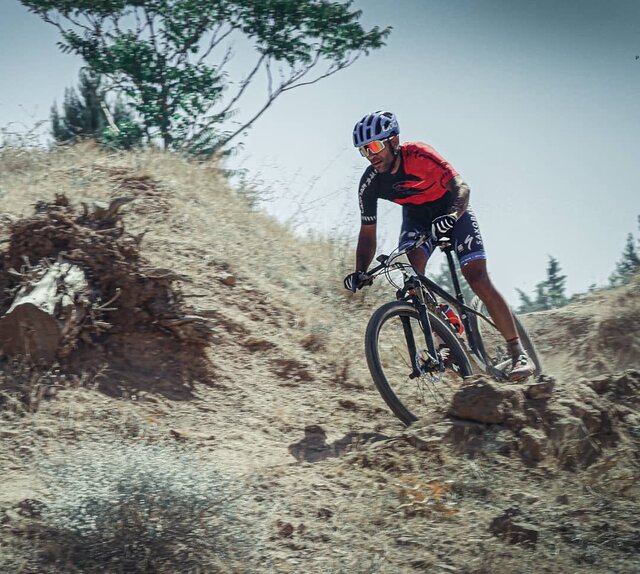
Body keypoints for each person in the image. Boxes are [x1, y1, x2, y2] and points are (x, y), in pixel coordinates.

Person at [343, 110, 535, 381]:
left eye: (375, 146)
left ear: (394, 141)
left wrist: (453, 215)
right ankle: (446, 338)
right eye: (364, 150)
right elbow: (367, 233)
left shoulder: (419, 155)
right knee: (412, 279)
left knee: (477, 278)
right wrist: (360, 270)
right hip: (417, 218)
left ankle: (518, 352)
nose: (371, 155)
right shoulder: (370, 183)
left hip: (452, 210)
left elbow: (462, 186)